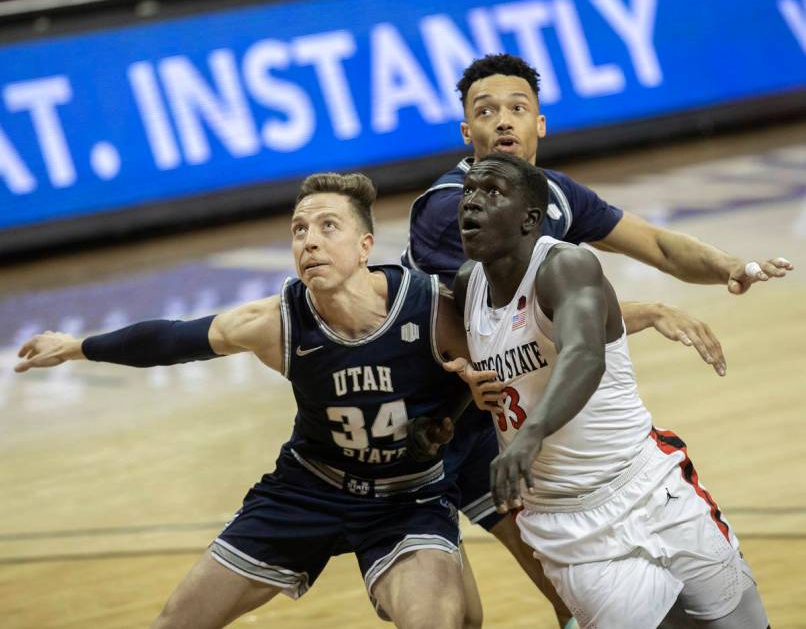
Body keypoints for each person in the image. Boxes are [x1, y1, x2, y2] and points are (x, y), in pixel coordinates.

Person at [403, 52, 792, 628]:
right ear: (467, 133)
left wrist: (729, 266)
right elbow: (506, 325)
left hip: (574, 448)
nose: (504, 121)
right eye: (488, 112)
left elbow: (655, 247)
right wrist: (645, 311)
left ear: (541, 124)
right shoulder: (455, 213)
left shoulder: (553, 195)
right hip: (456, 424)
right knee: (454, 615)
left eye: (518, 108)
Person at [14, 172, 496, 629]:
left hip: (406, 497)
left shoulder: (431, 306)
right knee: (176, 621)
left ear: (365, 245)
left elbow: (498, 372)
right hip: (309, 489)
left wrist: (465, 404)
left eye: (329, 227)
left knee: (439, 621)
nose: (309, 240)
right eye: (299, 229)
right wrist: (78, 346)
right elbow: (171, 340)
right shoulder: (277, 321)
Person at [454, 152, 769, 628]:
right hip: (565, 525)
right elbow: (456, 373)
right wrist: (447, 412)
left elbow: (584, 355)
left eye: (492, 192)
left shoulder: (566, 266)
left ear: (530, 219)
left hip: (649, 487)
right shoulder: (465, 288)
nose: (472, 203)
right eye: (469, 192)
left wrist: (530, 433)